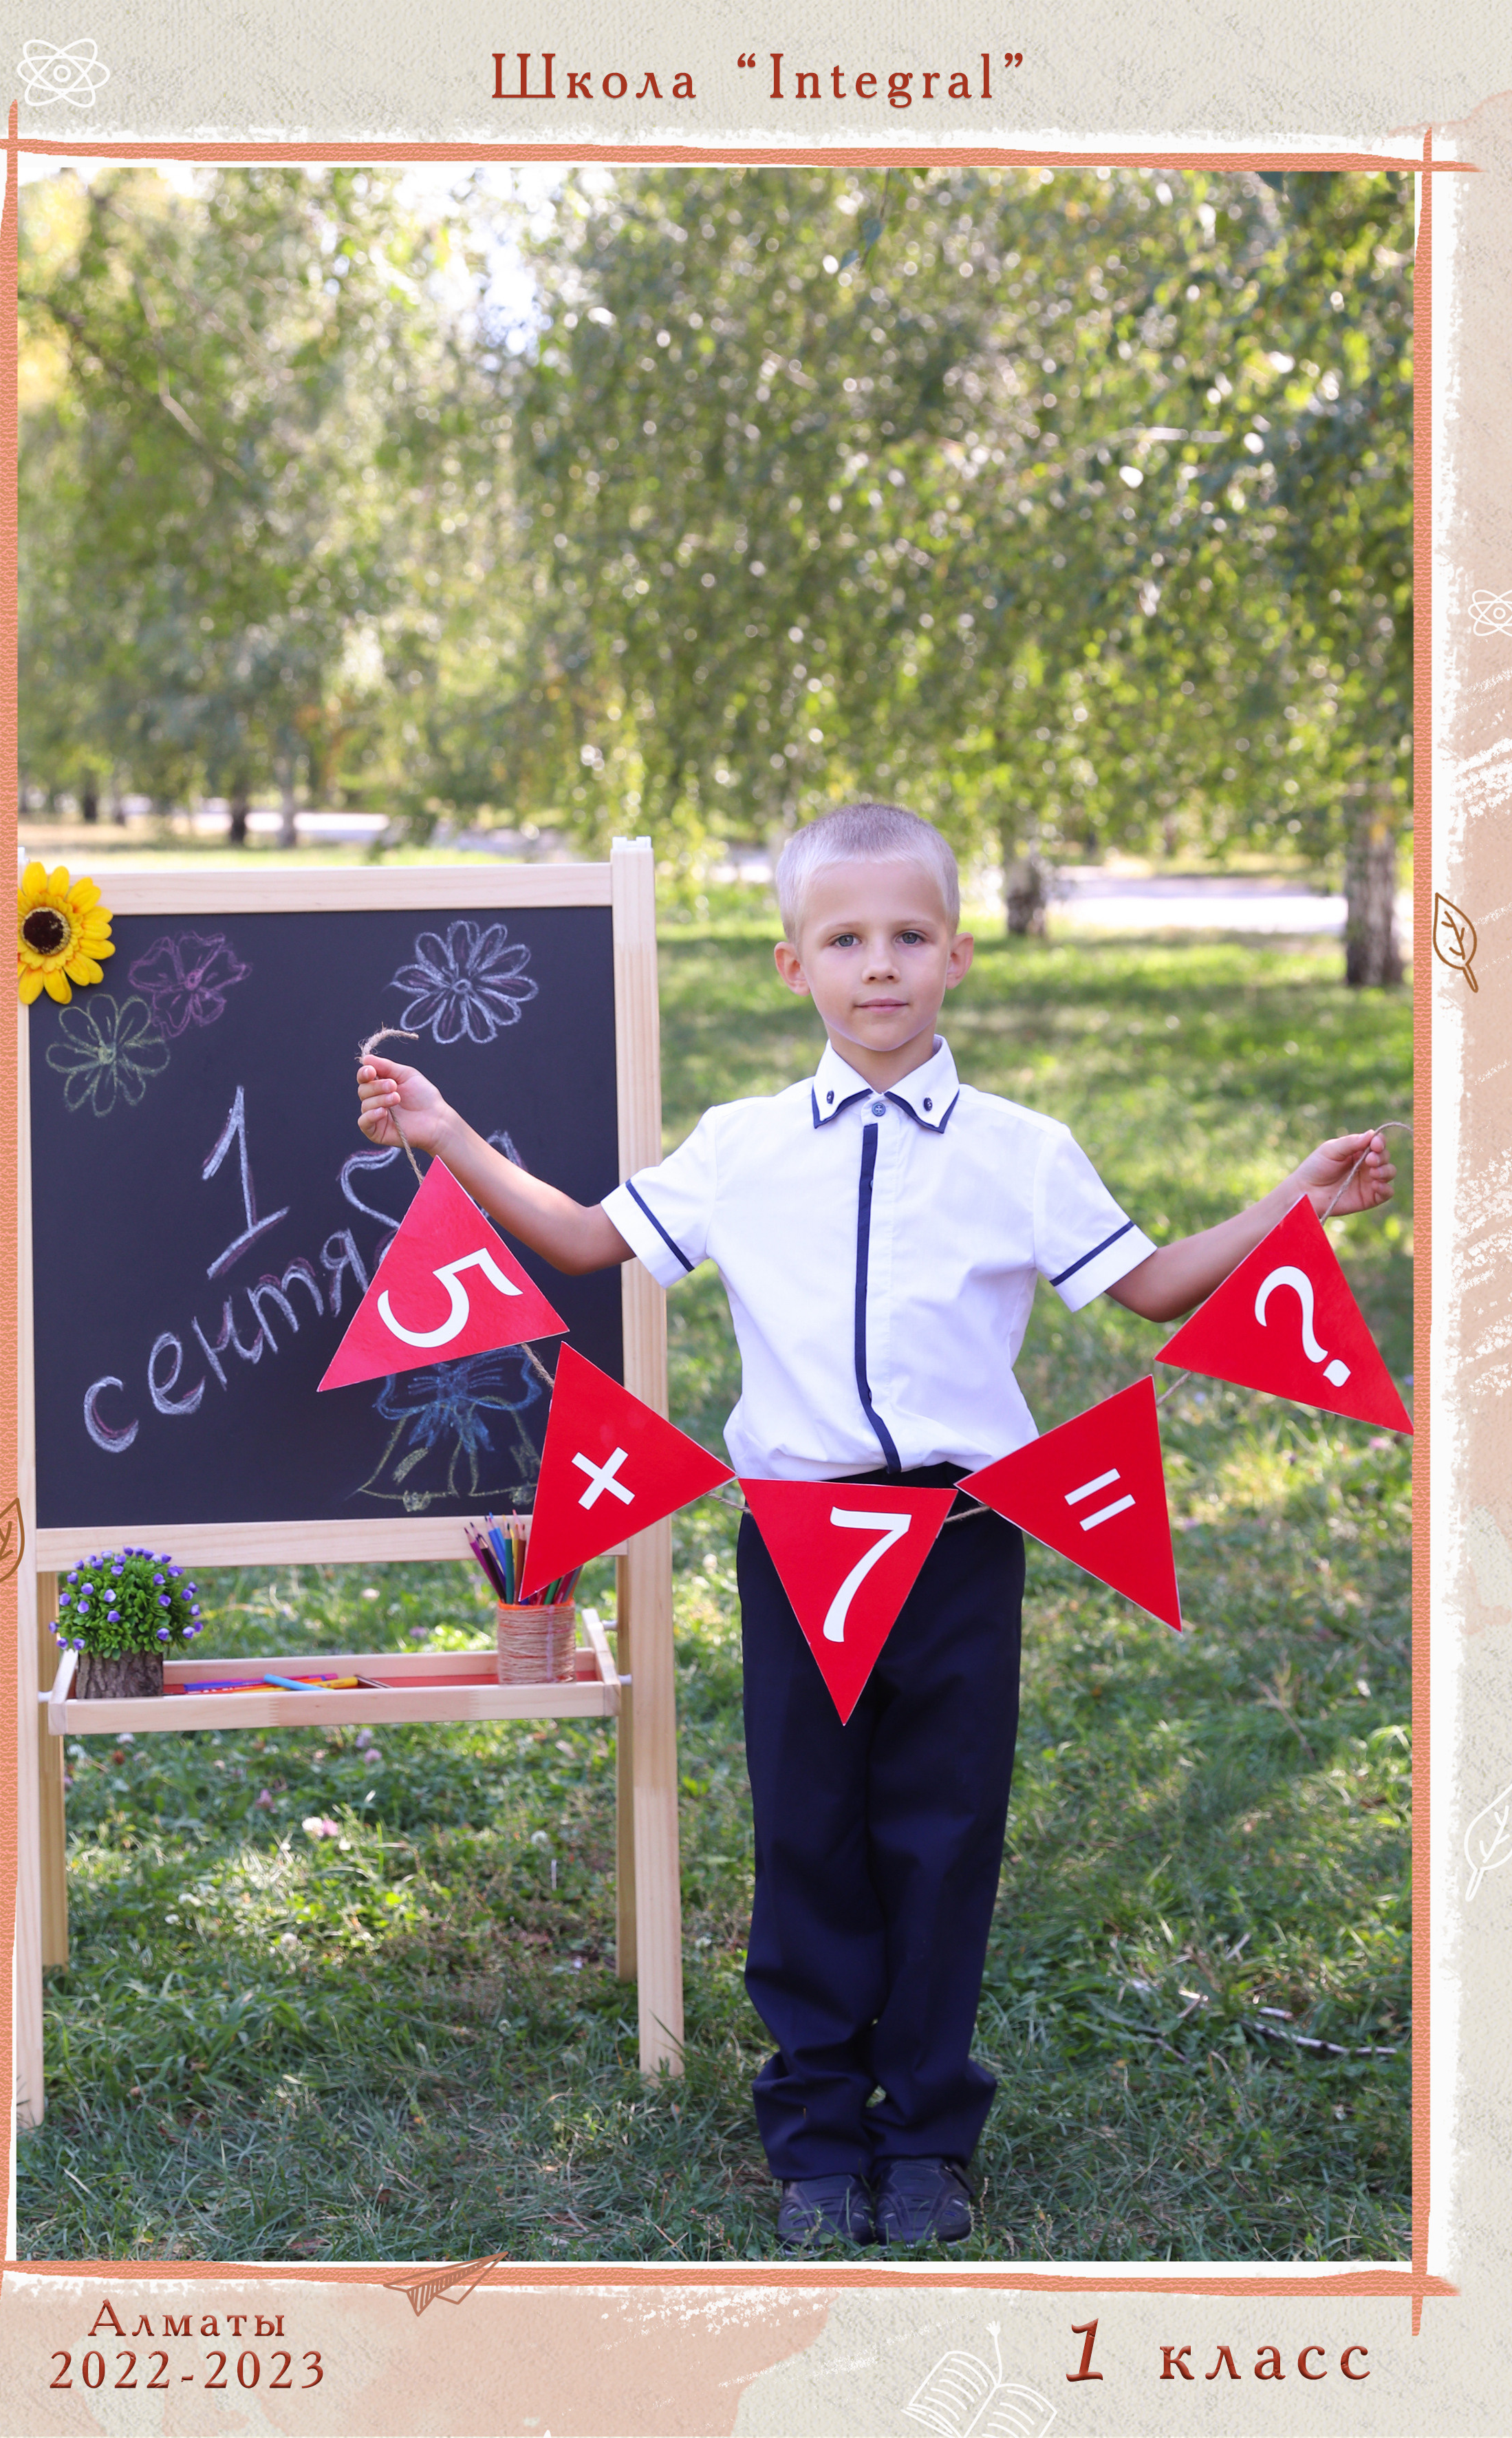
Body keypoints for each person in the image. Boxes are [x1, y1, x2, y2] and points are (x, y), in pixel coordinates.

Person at [356, 801, 1395, 2252]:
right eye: (845, 938)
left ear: (958, 956)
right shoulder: (741, 1145)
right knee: (809, 1837)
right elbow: (591, 1238)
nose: (879, 964)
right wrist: (446, 1131)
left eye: (908, 934)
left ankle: (925, 2138)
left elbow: (1150, 1286)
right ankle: (816, 2136)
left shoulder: (1022, 1150)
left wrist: (1291, 1200)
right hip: (793, 1540)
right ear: (791, 966)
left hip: (965, 1538)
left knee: (940, 1835)